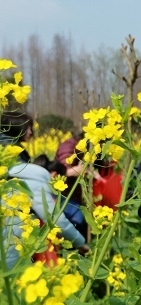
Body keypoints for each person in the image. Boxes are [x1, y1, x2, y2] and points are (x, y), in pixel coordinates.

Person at [1, 112, 89, 269]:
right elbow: (54, 218)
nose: (31, 132)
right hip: (13, 233)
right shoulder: (13, 155)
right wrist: (80, 242)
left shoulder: (13, 151)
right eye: (28, 127)